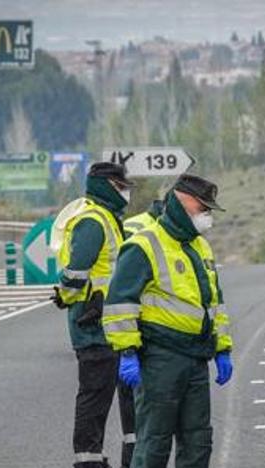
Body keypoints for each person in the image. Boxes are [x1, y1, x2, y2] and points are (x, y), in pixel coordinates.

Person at [102, 174, 234, 468]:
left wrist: (222, 348)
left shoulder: (200, 247)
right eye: (204, 209)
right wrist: (127, 352)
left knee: (198, 440)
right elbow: (120, 304)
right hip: (160, 358)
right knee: (154, 441)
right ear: (183, 203)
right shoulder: (143, 245)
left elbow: (215, 302)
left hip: (196, 357)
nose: (208, 216)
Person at [52, 162, 138, 468]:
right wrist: (67, 295)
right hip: (93, 325)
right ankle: (88, 462)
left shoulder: (107, 219)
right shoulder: (93, 221)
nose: (126, 192)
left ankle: (110, 459)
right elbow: (76, 272)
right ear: (106, 186)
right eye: (121, 186)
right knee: (94, 398)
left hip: (108, 324)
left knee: (112, 398)